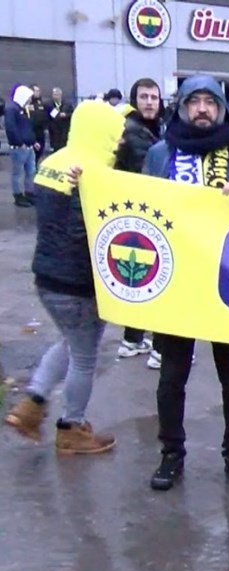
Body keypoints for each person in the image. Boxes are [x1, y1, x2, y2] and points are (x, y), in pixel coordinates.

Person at [141, 75, 229, 491]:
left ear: (221, 108)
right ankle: (171, 454)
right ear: (180, 108)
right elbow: (136, 202)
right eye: (193, 101)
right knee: (172, 375)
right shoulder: (161, 153)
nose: (201, 109)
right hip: (175, 281)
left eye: (209, 102)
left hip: (228, 279)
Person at [3, 101, 126, 455]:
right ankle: (71, 427)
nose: (118, 143)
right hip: (78, 284)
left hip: (47, 277)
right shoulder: (93, 174)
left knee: (69, 343)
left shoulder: (52, 163)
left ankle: (31, 406)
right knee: (84, 356)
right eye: (114, 134)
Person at [114, 78, 166, 368]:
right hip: (146, 214)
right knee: (156, 278)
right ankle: (161, 349)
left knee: (139, 277)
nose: (149, 102)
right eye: (144, 97)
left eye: (154, 97)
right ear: (135, 100)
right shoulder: (134, 134)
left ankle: (132, 339)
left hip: (138, 217)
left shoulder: (150, 129)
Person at [5, 85, 39, 207]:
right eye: (29, 97)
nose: (30, 100)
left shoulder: (23, 109)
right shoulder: (11, 109)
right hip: (19, 147)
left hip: (28, 146)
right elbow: (11, 128)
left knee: (31, 171)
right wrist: (20, 142)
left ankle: (29, 193)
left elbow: (28, 128)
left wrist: (33, 141)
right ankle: (18, 195)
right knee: (18, 173)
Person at [47, 87, 72, 152]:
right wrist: (59, 115)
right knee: (56, 149)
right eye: (54, 94)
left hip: (64, 130)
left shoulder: (67, 104)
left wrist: (65, 115)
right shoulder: (49, 104)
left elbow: (72, 113)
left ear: (60, 95)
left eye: (57, 94)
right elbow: (51, 114)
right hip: (54, 131)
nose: (56, 96)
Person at [27, 85, 48, 160]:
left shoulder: (41, 103)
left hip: (40, 130)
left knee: (40, 149)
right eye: (36, 91)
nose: (38, 92)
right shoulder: (28, 103)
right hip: (31, 130)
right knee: (33, 150)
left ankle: (35, 165)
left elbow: (44, 115)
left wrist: (45, 127)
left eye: (39, 91)